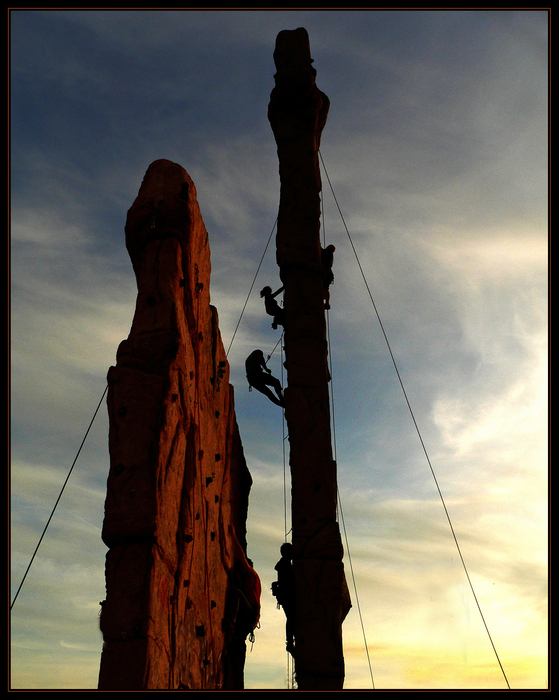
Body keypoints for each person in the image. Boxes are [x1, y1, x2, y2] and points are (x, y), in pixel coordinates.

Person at [272, 542, 296, 655]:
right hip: (286, 595)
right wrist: (290, 573)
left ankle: (291, 640)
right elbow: (277, 567)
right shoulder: (283, 562)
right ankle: (290, 642)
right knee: (291, 617)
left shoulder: (287, 563)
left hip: (287, 594)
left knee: (292, 617)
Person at [321, 244, 335, 310]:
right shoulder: (330, 254)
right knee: (325, 288)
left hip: (326, 272)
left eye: (329, 246)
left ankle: (326, 302)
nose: (327, 246)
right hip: (328, 273)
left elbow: (321, 252)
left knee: (325, 287)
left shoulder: (328, 252)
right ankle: (327, 303)